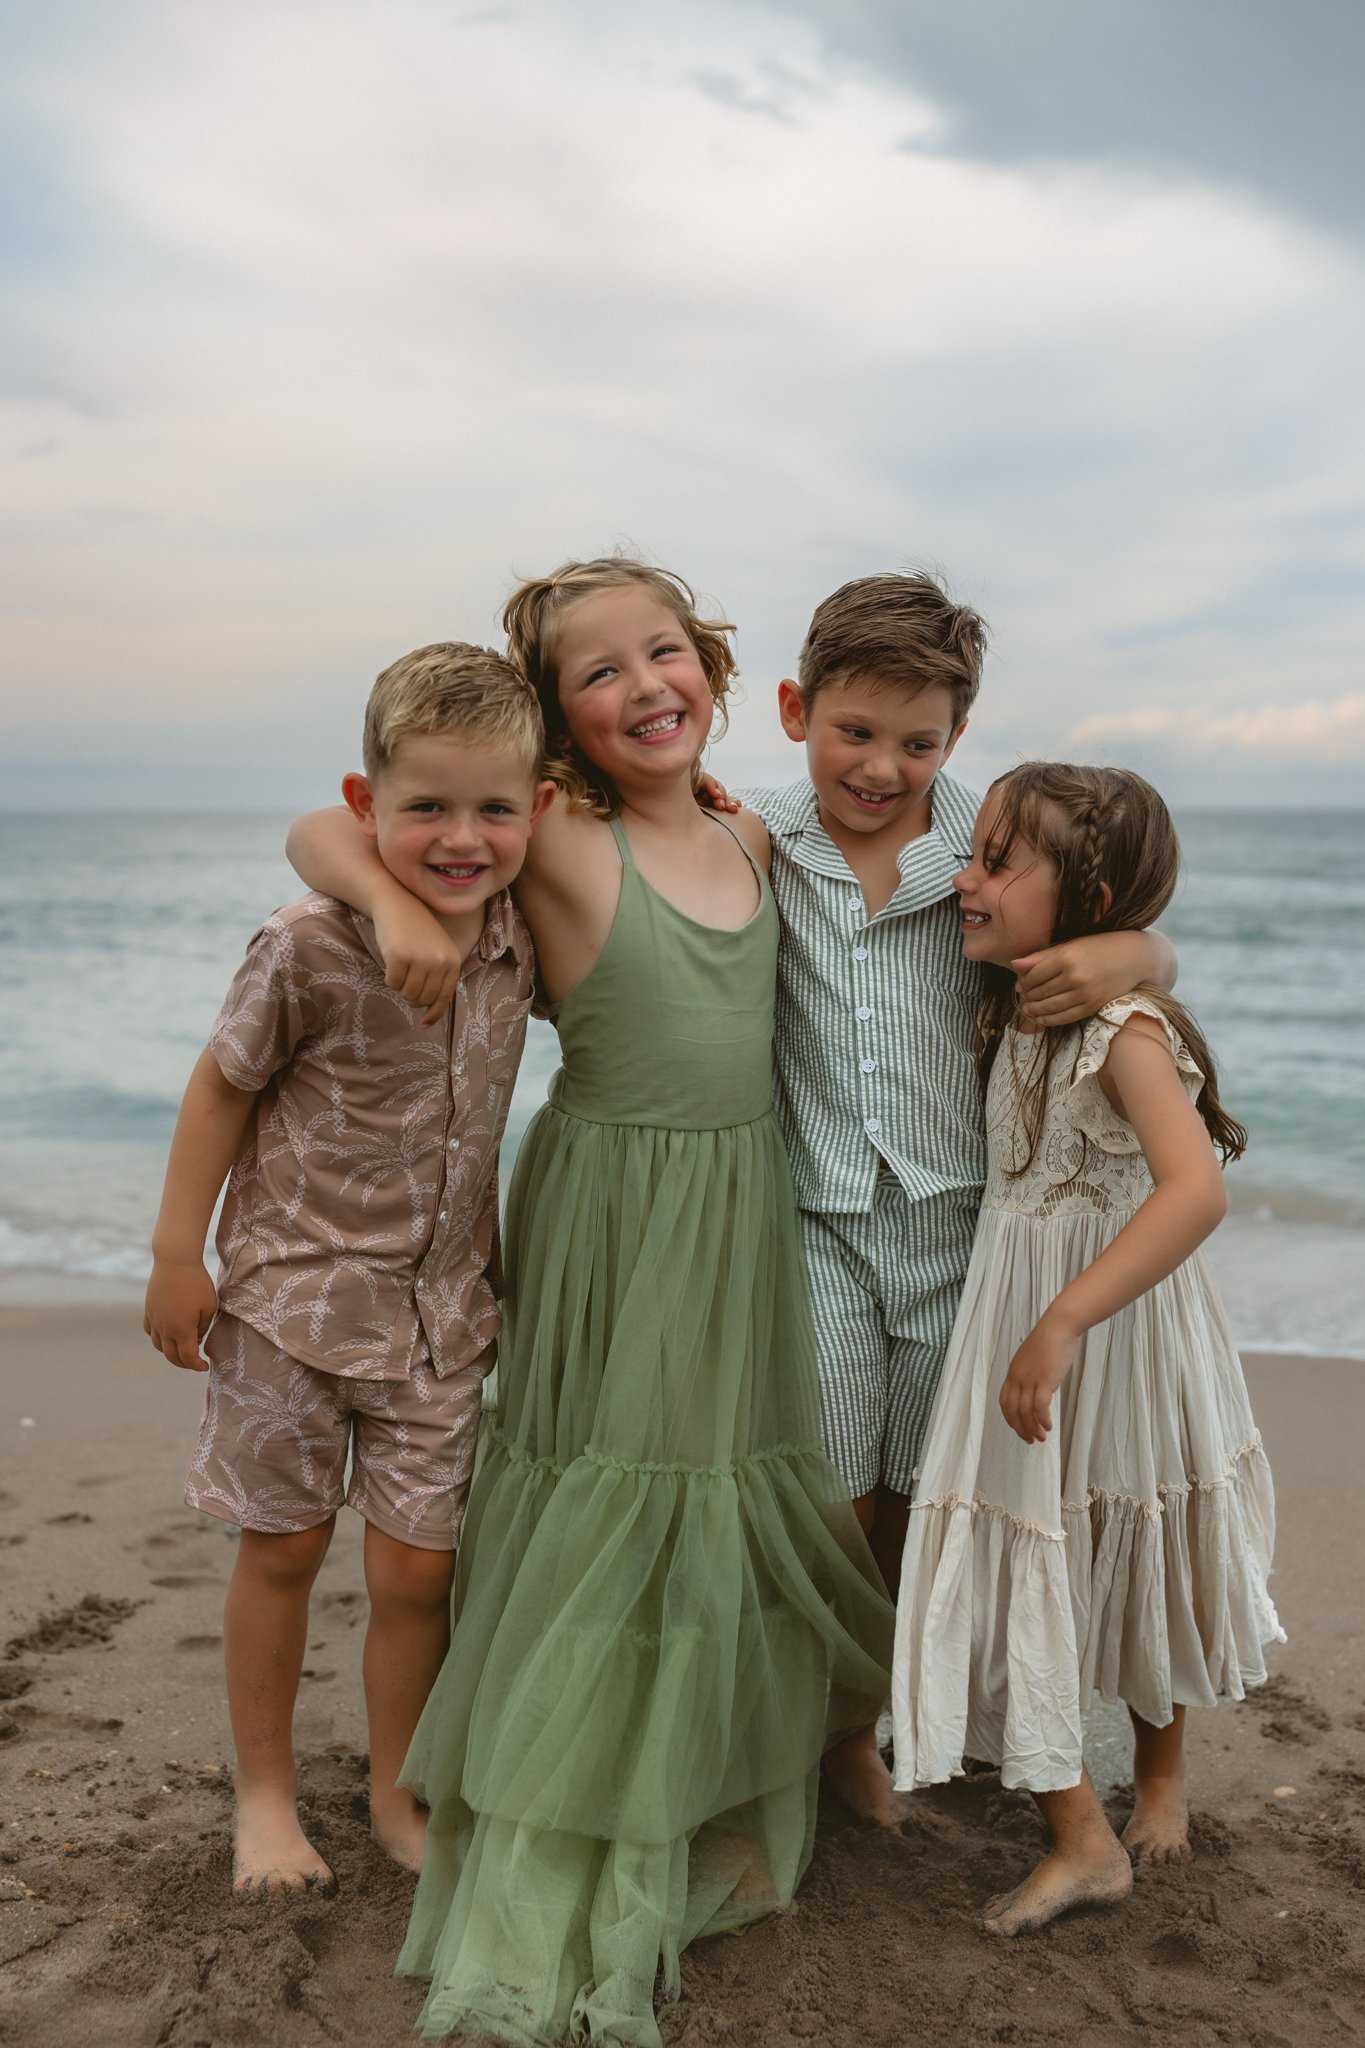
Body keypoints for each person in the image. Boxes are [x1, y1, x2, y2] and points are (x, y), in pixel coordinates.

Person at [285, 558, 894, 2048]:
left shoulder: (759, 832)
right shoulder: (555, 830)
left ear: (717, 669)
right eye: (600, 672)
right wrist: (389, 901)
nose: (646, 686)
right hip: (610, 1209)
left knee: (713, 1488)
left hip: (738, 1207)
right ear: (555, 721)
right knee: (603, 1490)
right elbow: (321, 823)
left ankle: (706, 1761)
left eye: (666, 652)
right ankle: (572, 1774)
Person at [728, 572, 1177, 1822]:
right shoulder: (758, 831)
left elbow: (1124, 913)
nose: (881, 766)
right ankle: (822, 1734)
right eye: (852, 732)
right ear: (792, 709)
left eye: (916, 741)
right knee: (830, 1486)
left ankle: (870, 1718)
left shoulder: (983, 838)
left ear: (956, 737)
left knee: (923, 1494)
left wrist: (1136, 952)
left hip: (962, 1230)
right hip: (814, 1215)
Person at [143, 643, 553, 1897]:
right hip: (289, 1303)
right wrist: (177, 1251)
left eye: (494, 807)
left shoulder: (520, 934)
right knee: (282, 1545)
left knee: (419, 1564)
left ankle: (393, 1785)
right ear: (369, 803)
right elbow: (222, 1082)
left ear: (539, 808)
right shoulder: (310, 940)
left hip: (442, 1313)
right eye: (425, 805)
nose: (461, 836)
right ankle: (264, 1795)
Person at [891, 762, 1283, 1935]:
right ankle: (1083, 1819)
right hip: (1023, 1307)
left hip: (1112, 1328)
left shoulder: (1122, 1025)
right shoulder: (1020, 997)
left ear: (1091, 890)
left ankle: (1141, 1790)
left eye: (996, 861)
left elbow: (1196, 1190)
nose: (965, 876)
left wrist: (1062, 1318)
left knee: (1136, 1524)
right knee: (1035, 1534)